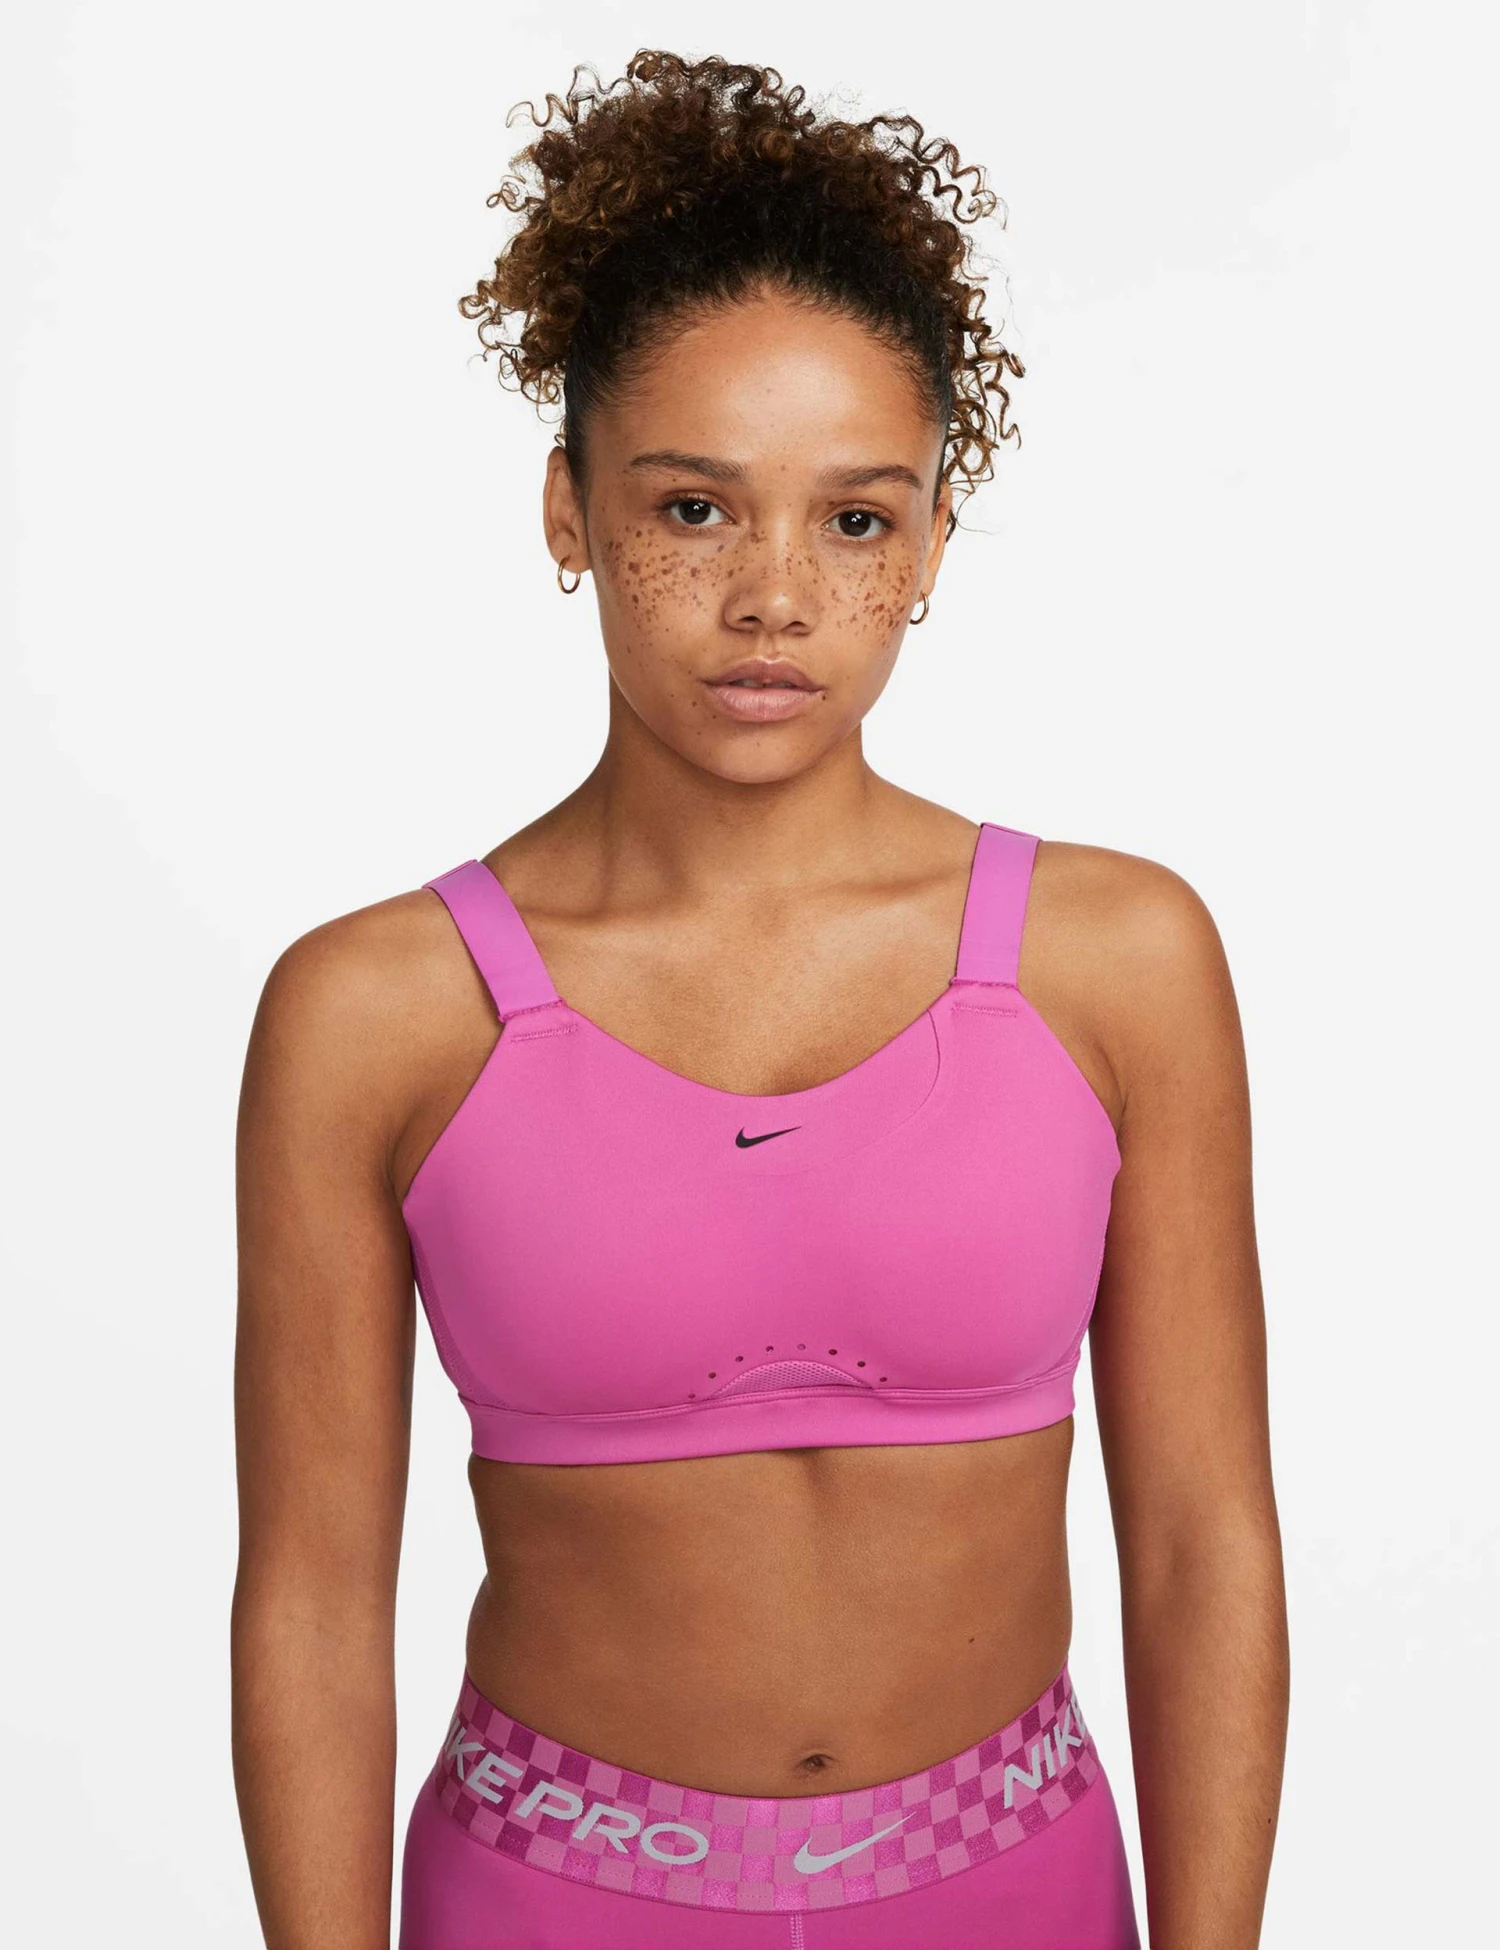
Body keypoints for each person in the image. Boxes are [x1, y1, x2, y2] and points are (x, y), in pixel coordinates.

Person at [231, 48, 1288, 1950]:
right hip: (547, 1907)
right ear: (568, 511)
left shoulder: (1117, 963)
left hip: (1018, 1899)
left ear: (935, 540)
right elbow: (311, 1599)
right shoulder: (377, 1013)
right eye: (695, 509)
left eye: (856, 519)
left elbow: (1207, 1541)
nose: (775, 596)